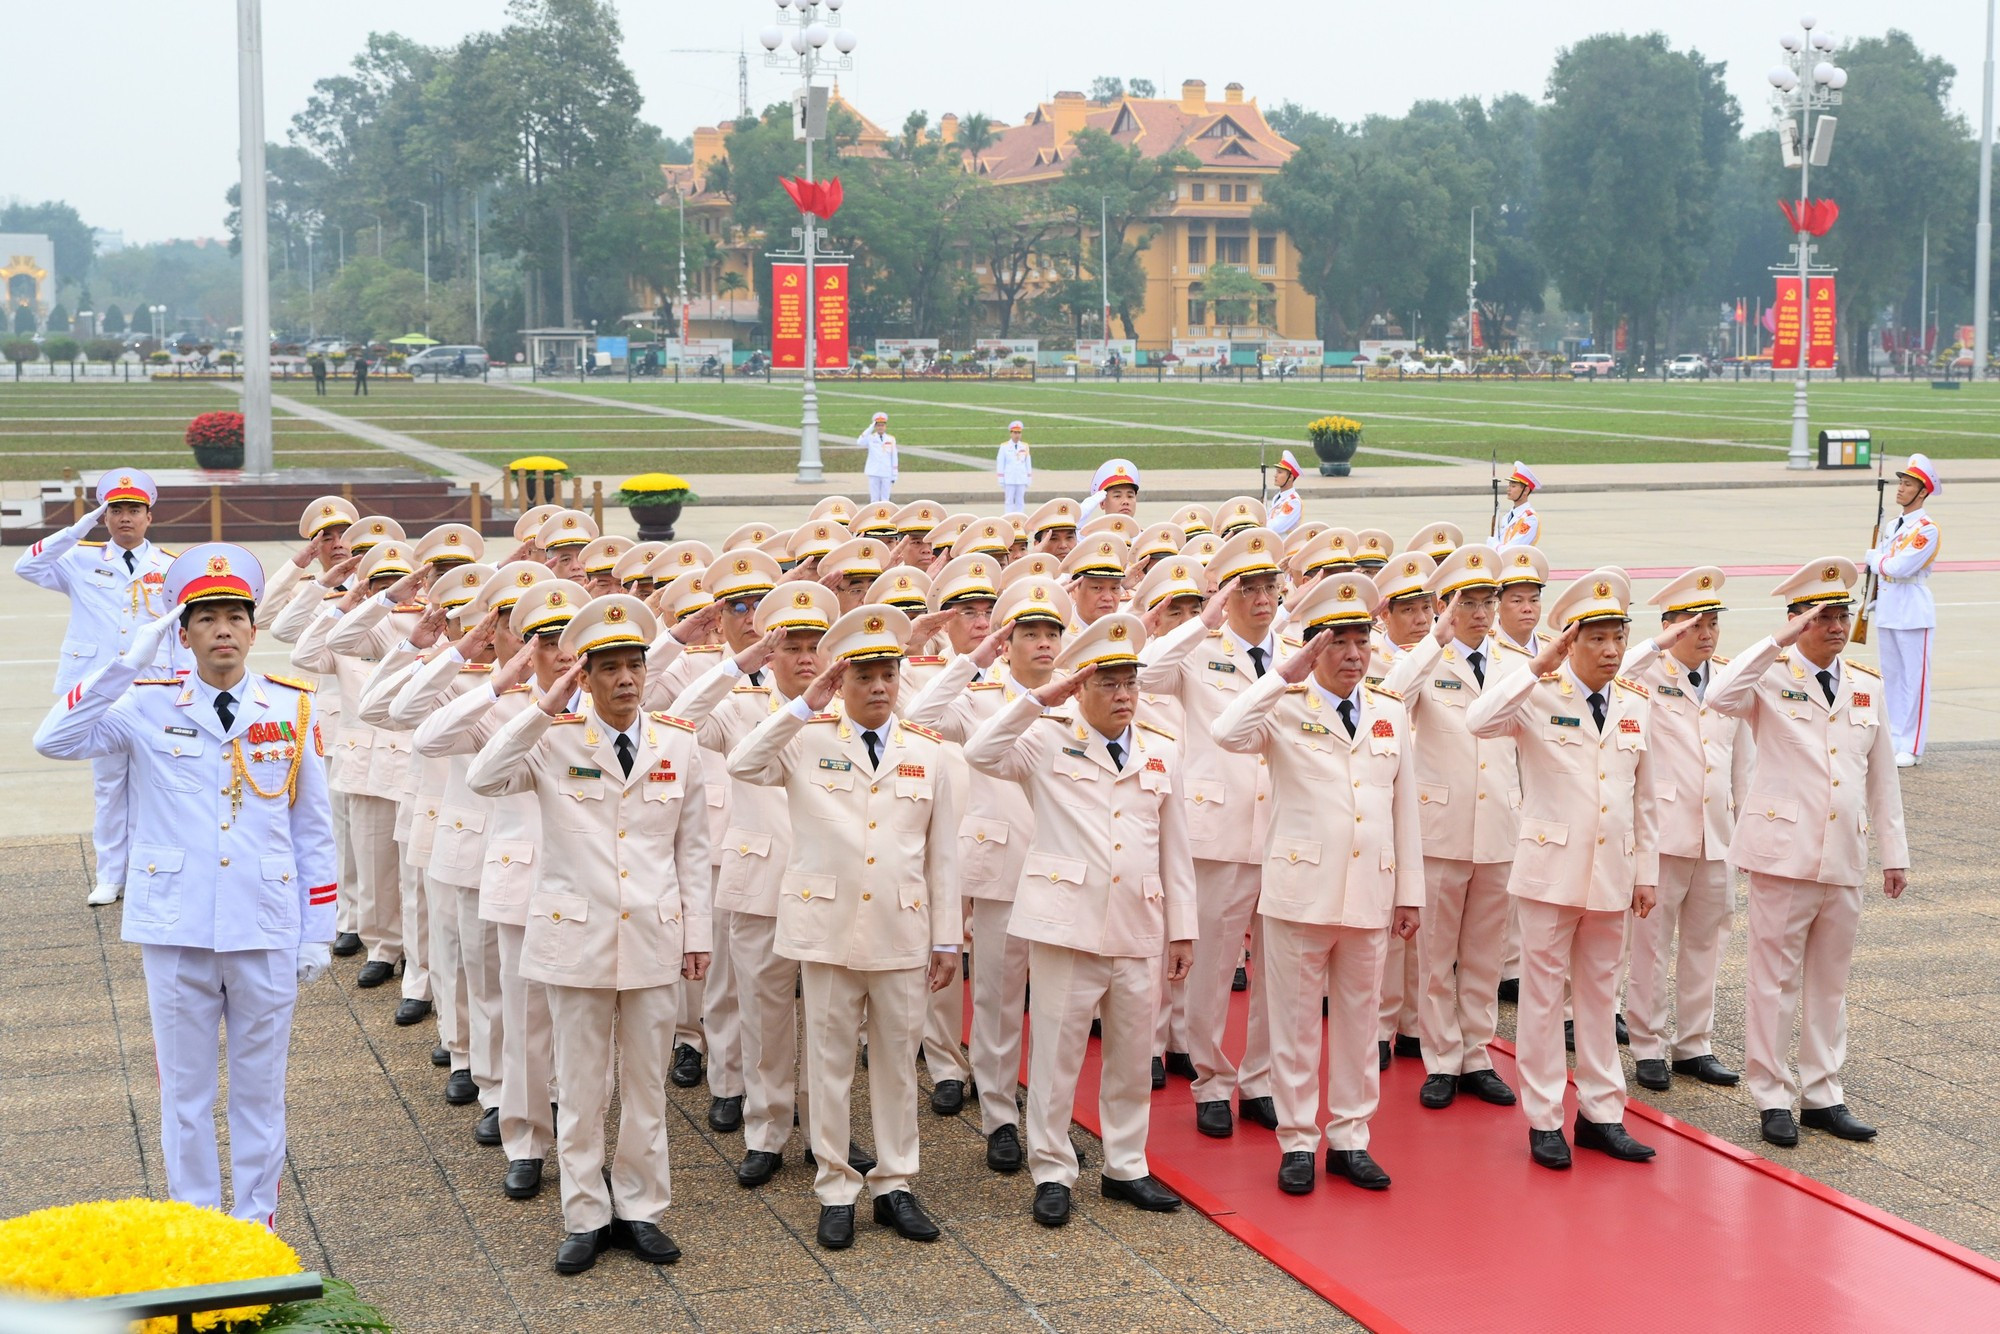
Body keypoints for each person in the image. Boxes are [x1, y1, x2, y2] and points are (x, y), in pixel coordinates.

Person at [34, 543, 336, 1226]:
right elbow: (53, 739)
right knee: (185, 1095)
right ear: (183, 631)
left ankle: (257, 1227)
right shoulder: (142, 705)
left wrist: (318, 930)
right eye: (206, 618)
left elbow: (314, 832)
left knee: (261, 1093)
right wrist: (124, 665)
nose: (222, 629)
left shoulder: (292, 710)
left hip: (263, 925)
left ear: (254, 629)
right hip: (176, 925)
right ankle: (196, 1225)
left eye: (235, 615)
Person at [466, 594, 711, 1275]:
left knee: (646, 1085)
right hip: (575, 940)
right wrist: (545, 706)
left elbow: (693, 848)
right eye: (609, 669)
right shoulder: (551, 740)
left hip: (655, 938)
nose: (627, 680)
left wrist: (700, 934)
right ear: (585, 675)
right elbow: (482, 776)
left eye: (636, 665)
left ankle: (639, 1207)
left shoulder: (679, 742)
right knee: (579, 1087)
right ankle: (584, 1213)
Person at [727, 605, 960, 1252]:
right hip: (825, 929)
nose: (880, 686)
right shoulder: (804, 738)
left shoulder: (930, 753)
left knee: (894, 1064)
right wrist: (803, 705)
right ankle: (834, 1185)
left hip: (901, 930)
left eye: (888, 673)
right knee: (828, 1064)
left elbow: (943, 856)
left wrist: (947, 938)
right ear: (841, 680)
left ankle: (894, 1184)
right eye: (864, 675)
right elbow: (744, 764)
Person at [965, 612, 1196, 1226]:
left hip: (1137, 925)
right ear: (1081, 687)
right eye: (1109, 684)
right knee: (1057, 1055)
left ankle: (1125, 1165)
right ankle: (1051, 1168)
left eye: (1130, 683)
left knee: (1129, 1055)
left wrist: (1183, 928)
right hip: (1067, 924)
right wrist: (1042, 699)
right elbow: (980, 750)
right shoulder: (1044, 739)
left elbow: (1175, 847)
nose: (1124, 696)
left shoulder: (1158, 751)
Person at [1214, 576, 1423, 1194]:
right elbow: (1226, 733)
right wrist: (1283, 674)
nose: (1355, 655)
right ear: (1312, 648)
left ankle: (1351, 1138)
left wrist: (1408, 890)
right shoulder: (1282, 704)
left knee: (1360, 1027)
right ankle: (1298, 1139)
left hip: (1368, 890)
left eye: (1362, 641)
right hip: (1300, 892)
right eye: (1339, 643)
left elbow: (1402, 808)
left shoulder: (1387, 712)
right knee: (1297, 1025)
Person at [1707, 559, 1907, 1149]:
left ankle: (1823, 1093)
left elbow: (1881, 776)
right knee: (1772, 981)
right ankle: (1771, 1093)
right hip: (1781, 853)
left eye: (1843, 615)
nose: (1837, 626)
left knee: (1829, 982)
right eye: (1823, 617)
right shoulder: (1767, 676)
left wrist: (1894, 852)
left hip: (1844, 854)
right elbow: (1720, 696)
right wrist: (1776, 644)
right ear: (1796, 622)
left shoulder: (1865, 684)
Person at [1467, 570, 1659, 1171]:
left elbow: (1643, 797)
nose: (1609, 650)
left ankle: (1603, 1115)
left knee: (1601, 999)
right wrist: (1534, 666)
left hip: (1611, 873)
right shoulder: (1537, 694)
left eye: (1617, 636)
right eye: (1595, 637)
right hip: (1550, 872)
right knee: (1544, 1001)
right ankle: (1545, 1117)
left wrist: (1645, 872)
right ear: (1568, 641)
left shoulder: (1634, 701)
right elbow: (1478, 720)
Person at [668, 580, 847, 1189]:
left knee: (831, 1024)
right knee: (765, 1017)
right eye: (790, 644)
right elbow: (678, 719)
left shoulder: (852, 713)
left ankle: (832, 1135)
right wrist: (738, 665)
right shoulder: (743, 707)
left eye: (814, 643)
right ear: (769, 652)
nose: (804, 656)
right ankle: (766, 1128)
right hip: (762, 881)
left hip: (832, 888)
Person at [1136, 528, 1287, 1140]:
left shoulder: (1298, 651)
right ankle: (1211, 1080)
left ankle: (1261, 1080)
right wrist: (1202, 622)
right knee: (1211, 970)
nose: (1260, 599)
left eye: (1268, 587)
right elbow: (1144, 675)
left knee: (1281, 973)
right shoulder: (1197, 651)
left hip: (1286, 832)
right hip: (1218, 829)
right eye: (1245, 589)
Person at [1381, 545, 1523, 1112]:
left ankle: (1477, 1054)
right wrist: (1433, 639)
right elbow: (1390, 693)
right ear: (1447, 606)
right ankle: (1441, 1059)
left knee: (1485, 955)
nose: (1482, 612)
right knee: (1436, 956)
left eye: (1489, 600)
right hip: (1441, 826)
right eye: (1469, 601)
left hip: (1499, 825)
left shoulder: (1514, 660)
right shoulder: (1425, 659)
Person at [14, 467, 185, 906]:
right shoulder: (79, 558)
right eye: (115, 511)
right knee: (109, 786)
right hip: (98, 691)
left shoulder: (169, 567)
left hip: (153, 687)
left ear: (149, 517)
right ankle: (111, 875)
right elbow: (26, 564)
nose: (125, 518)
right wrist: (78, 528)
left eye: (134, 510)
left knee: (154, 785)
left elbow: (180, 634)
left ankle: (150, 872)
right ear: (103, 517)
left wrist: (184, 686)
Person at [1620, 566, 1751, 1094]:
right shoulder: (1645, 676)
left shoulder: (1725, 679)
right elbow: (1615, 670)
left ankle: (1695, 1044)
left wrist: (1742, 831)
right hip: (1664, 835)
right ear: (1670, 627)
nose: (1706, 633)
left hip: (1716, 835)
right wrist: (1656, 645)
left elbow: (1742, 761)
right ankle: (1647, 1044)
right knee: (1650, 946)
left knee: (1706, 943)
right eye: (1694, 623)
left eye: (1712, 622)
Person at [1861, 454, 1941, 767]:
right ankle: (1893, 740)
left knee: (1915, 681)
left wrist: (1874, 559)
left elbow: (1899, 566)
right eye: (1901, 482)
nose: (1900, 488)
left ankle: (1912, 745)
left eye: (1908, 484)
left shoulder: (1927, 529)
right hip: (1890, 608)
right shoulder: (1894, 525)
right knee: (1891, 679)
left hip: (1913, 611)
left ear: (1922, 492)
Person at [1493, 462, 1541, 548]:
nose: (1508, 489)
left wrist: (1494, 545)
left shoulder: (1530, 519)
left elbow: (1513, 548)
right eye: (1509, 485)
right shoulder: (1507, 516)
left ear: (1525, 491)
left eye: (1513, 486)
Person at [859, 412, 899, 503]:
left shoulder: (891, 439)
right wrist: (870, 428)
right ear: (875, 427)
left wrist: (894, 474)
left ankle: (885, 516)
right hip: (874, 471)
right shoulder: (870, 438)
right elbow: (860, 441)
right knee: (874, 499)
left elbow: (894, 457)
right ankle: (874, 515)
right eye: (878, 425)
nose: (880, 427)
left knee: (885, 498)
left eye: (882, 425)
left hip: (886, 472)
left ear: (885, 426)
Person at [1266, 450, 1306, 538]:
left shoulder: (1293, 502)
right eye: (1276, 472)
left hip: (1285, 548)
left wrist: (1259, 525)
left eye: (1280, 472)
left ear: (1290, 477)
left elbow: (1276, 527)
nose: (1275, 475)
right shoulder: (1278, 497)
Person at [996, 421, 1033, 512]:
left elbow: (1028, 463)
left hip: (1021, 477)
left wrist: (1029, 478)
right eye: (1015, 433)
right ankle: (1008, 520)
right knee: (1009, 501)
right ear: (1011, 433)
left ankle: (1019, 520)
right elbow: (1000, 463)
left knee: (1020, 501)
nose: (1017, 435)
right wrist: (1001, 478)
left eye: (1019, 433)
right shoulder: (1004, 446)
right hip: (1009, 478)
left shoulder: (1025, 446)